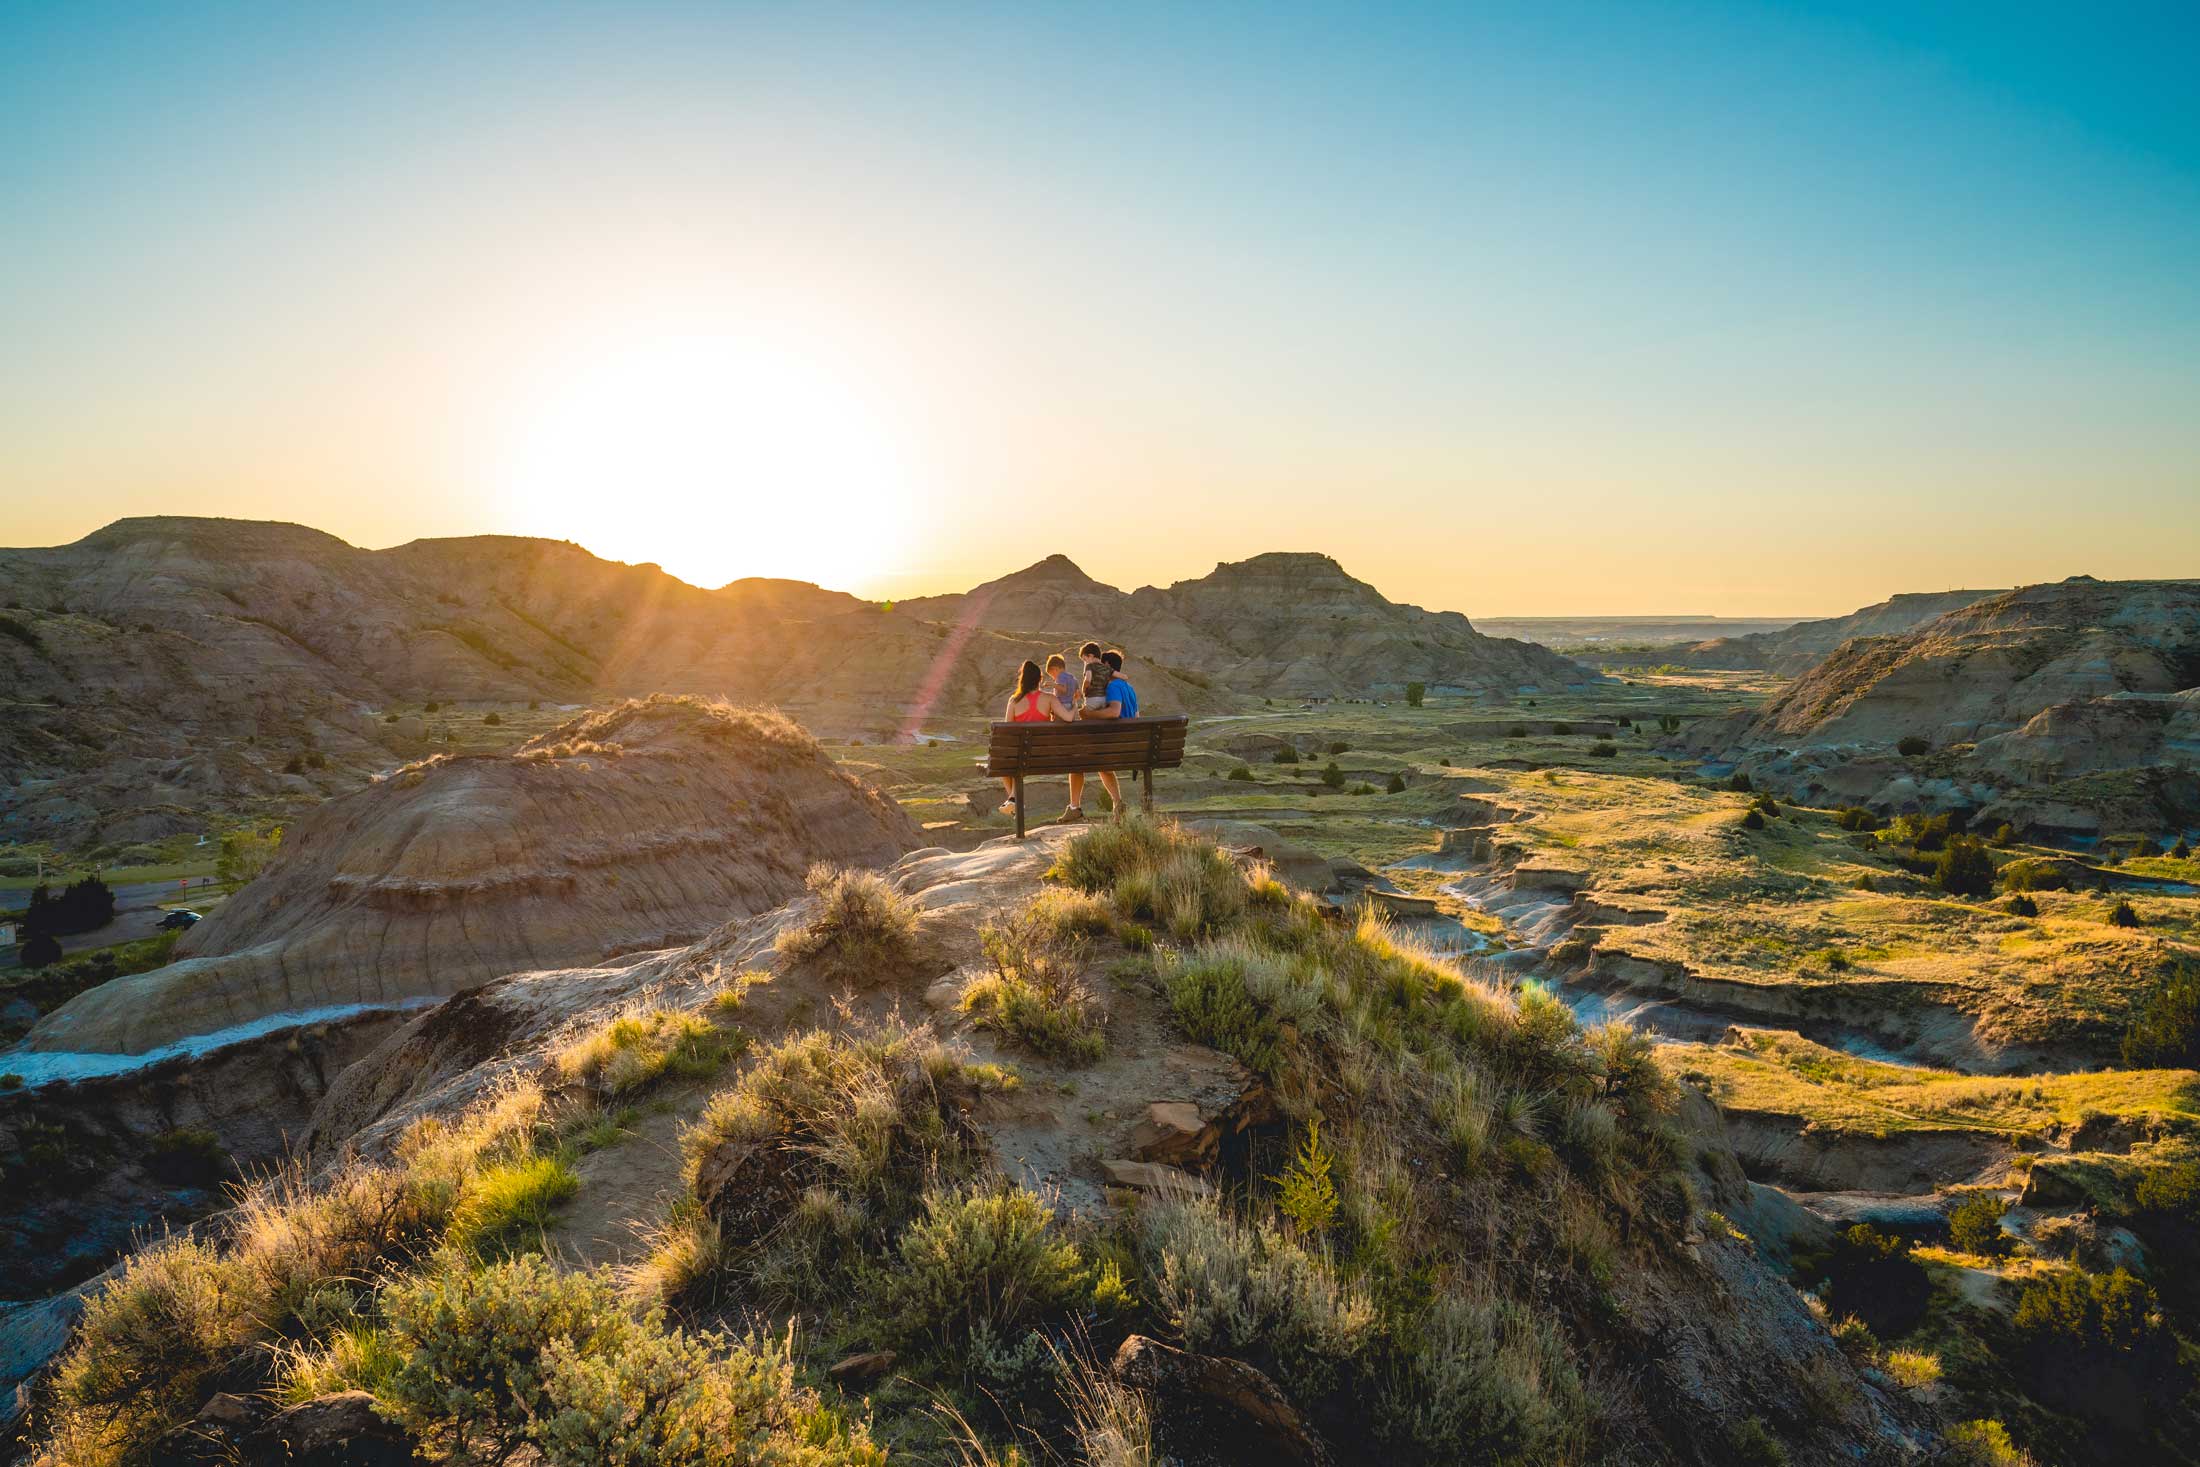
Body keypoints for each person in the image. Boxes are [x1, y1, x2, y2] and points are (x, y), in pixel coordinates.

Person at [1066, 648, 1139, 821]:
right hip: (1128, 746)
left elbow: (1114, 712)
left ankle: (1074, 807)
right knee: (1103, 766)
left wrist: (1088, 714)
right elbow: (1136, 717)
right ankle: (1118, 803)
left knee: (1076, 762)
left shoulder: (1112, 686)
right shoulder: (1130, 688)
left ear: (1106, 665)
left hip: (1114, 745)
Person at [998, 659, 1064, 816]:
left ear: (1023, 680)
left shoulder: (1014, 700)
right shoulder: (1049, 698)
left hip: (1020, 756)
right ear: (1039, 680)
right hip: (1041, 755)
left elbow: (1007, 731)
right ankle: (1013, 800)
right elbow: (1065, 718)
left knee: (1004, 764)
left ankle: (1013, 799)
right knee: (1017, 760)